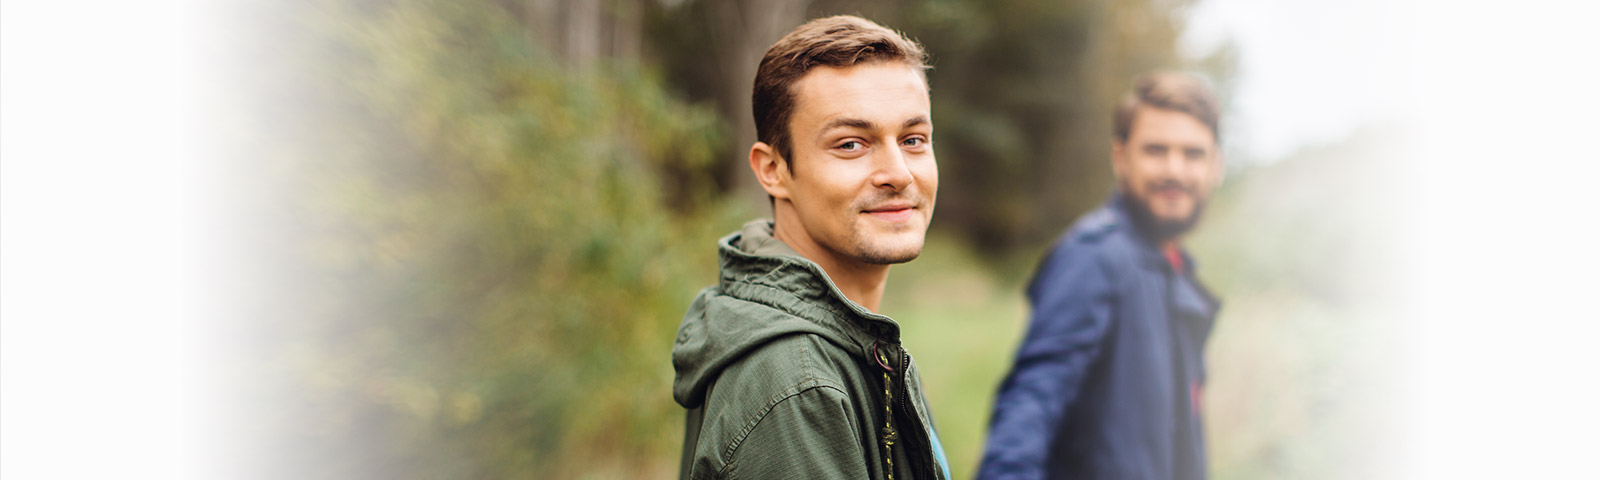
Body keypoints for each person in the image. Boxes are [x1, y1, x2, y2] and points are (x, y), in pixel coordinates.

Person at [671, 15, 951, 480]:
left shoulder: (859, 345)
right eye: (851, 144)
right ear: (773, 170)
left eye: (913, 139)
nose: (899, 172)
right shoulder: (796, 383)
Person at [977, 72, 1225, 480]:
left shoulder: (1174, 270)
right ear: (1121, 157)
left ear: (1216, 164)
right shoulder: (1094, 256)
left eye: (1193, 154)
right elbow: (1034, 398)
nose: (1175, 170)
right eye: (1156, 150)